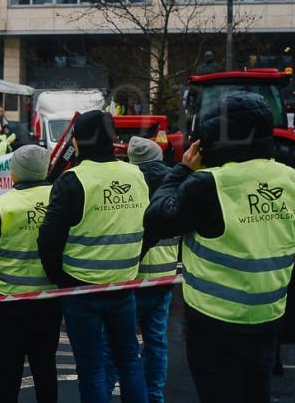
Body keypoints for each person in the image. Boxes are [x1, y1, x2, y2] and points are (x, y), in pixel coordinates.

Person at [146, 92, 295, 403]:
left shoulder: (208, 184)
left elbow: (157, 220)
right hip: (268, 319)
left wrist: (182, 170)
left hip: (214, 324)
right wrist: (293, 320)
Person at [38, 110, 150, 403]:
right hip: (123, 285)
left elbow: (49, 239)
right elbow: (146, 226)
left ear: (78, 140)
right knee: (128, 360)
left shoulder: (73, 180)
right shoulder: (135, 174)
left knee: (91, 367)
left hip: (81, 287)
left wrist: (60, 279)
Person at [0, 145, 60, 403]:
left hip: (8, 300)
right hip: (49, 298)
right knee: (45, 366)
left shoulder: (1, 205)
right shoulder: (59, 198)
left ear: (14, 173)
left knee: (9, 367)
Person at [104, 137, 176, 403]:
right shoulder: (174, 182)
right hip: (164, 275)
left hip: (130, 276)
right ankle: (154, 397)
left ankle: (106, 393)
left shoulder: (128, 182)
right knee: (156, 342)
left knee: (116, 346)